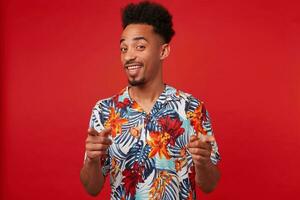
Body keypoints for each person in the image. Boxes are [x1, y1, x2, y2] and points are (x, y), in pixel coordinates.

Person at [80, 1, 221, 199]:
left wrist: (204, 162)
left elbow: (210, 184)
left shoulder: (191, 107)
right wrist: (92, 161)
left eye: (140, 46)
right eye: (123, 48)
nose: (129, 56)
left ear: (163, 51)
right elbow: (92, 187)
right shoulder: (104, 110)